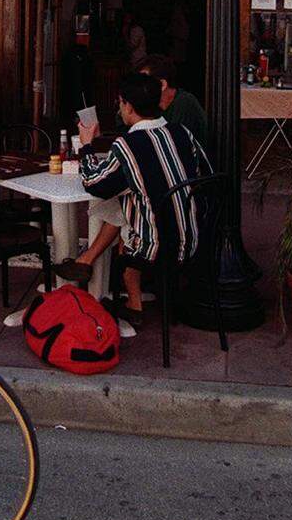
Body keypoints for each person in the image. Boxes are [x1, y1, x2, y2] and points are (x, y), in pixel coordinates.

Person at [55, 72, 211, 328]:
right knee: (124, 201)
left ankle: (120, 293)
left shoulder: (128, 145)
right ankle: (93, 267)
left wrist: (86, 146)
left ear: (127, 105)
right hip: (193, 237)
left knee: (118, 205)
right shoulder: (181, 132)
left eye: (120, 103)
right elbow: (204, 172)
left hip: (156, 249)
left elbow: (95, 184)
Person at [139, 54, 212, 153]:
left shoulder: (184, 103)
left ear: (162, 85)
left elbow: (176, 148)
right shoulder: (155, 108)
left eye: (145, 83)